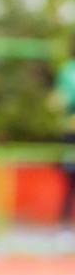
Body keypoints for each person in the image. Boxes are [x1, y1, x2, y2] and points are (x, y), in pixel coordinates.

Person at [56, 34, 75, 253]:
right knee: (70, 180)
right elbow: (64, 98)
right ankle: (64, 226)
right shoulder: (68, 70)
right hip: (72, 133)